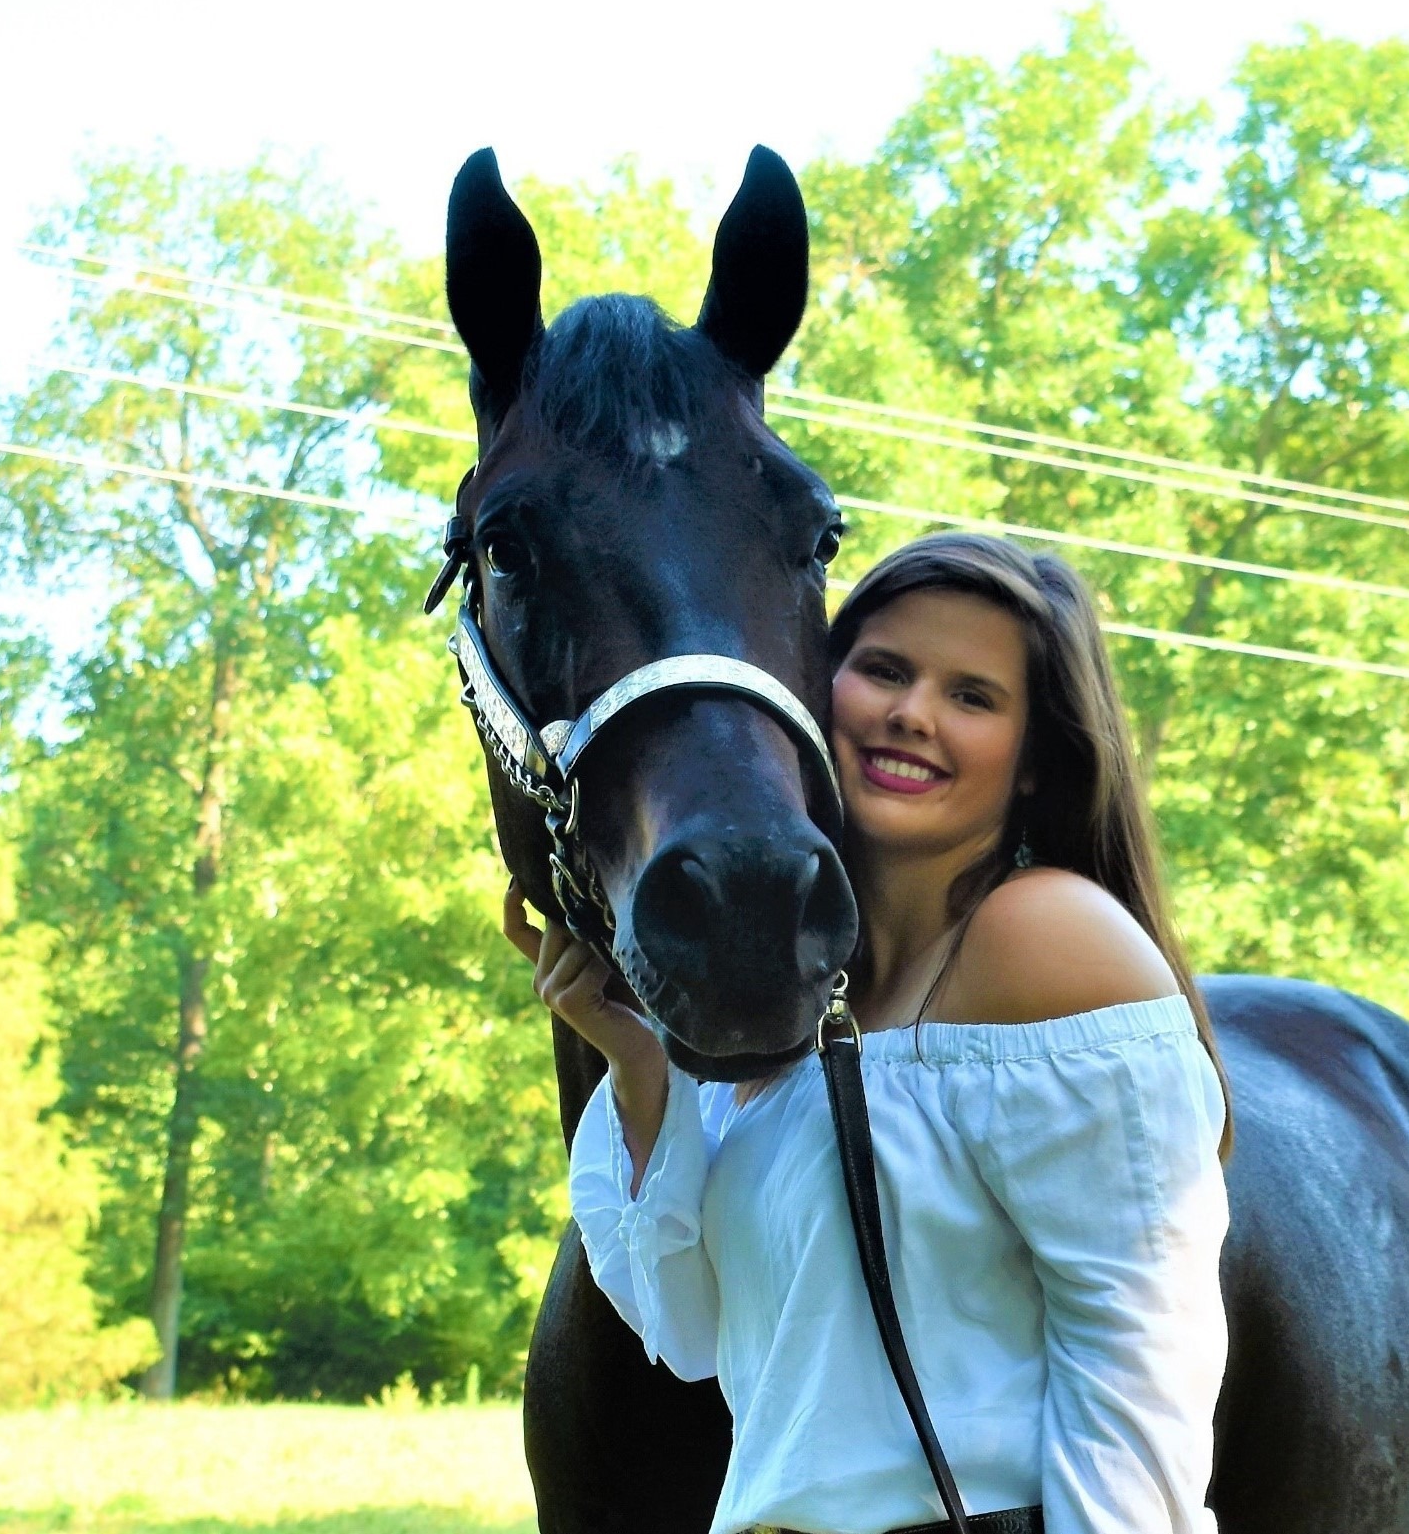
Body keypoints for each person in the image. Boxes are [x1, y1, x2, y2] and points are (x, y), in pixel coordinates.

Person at [508, 533, 1231, 1534]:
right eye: (884, 670)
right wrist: (637, 1060)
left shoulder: (1046, 937)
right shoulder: (792, 990)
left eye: (972, 696)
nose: (911, 712)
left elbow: (1140, 1349)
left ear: (1033, 762)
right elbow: (692, 1328)